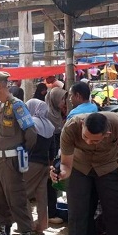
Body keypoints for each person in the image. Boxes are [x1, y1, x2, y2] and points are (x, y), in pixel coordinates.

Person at [52, 112, 118, 235]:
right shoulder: (70, 128)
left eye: (95, 140)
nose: (89, 142)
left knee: (114, 215)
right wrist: (62, 173)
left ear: (107, 134)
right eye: (85, 137)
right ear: (82, 125)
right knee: (76, 214)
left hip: (107, 166)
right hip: (79, 167)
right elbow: (66, 164)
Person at [0, 71, 38, 235]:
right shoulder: (0, 105)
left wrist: (21, 154)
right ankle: (5, 234)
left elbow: (31, 134)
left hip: (11, 161)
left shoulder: (17, 105)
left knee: (16, 200)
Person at [24, 98, 54, 233]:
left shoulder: (31, 123)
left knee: (21, 193)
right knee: (41, 196)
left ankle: (27, 225)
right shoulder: (50, 125)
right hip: (45, 164)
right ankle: (42, 226)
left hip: (31, 163)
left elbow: (26, 144)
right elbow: (52, 149)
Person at [44, 87, 67, 226]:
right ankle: (50, 212)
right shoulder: (47, 114)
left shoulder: (58, 114)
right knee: (49, 182)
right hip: (50, 154)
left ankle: (52, 210)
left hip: (58, 152)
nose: (64, 101)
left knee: (54, 182)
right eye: (62, 98)